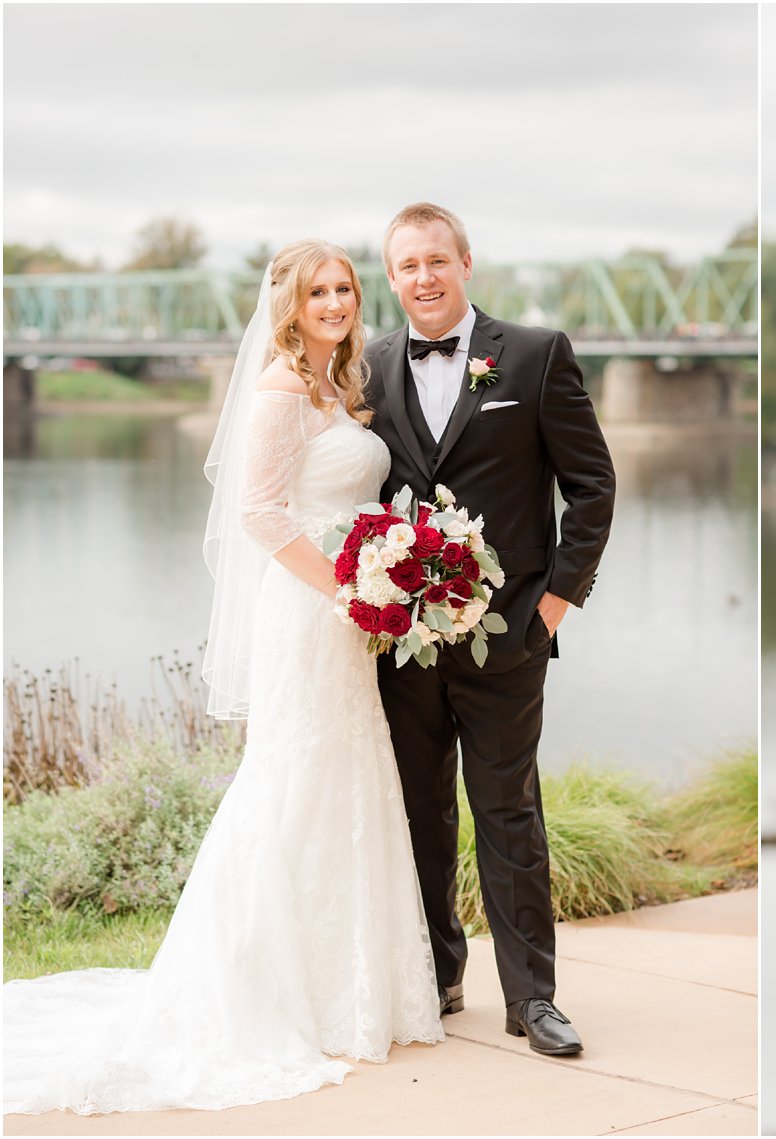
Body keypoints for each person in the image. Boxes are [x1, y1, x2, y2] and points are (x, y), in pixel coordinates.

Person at [3, 239, 443, 1116]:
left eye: (345, 289)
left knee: (347, 778)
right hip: (310, 609)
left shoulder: (338, 387)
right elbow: (257, 512)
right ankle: (262, 991)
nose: (335, 302)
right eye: (318, 290)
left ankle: (348, 990)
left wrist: (385, 580)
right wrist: (352, 591)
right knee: (291, 777)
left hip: (349, 613)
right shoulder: (282, 387)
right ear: (289, 302)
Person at [363, 203, 615, 1057]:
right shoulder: (367, 367)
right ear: (391, 277)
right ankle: (438, 975)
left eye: (439, 259)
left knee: (508, 811)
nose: (425, 277)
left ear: (466, 262)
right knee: (418, 812)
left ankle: (533, 999)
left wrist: (553, 605)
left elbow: (593, 486)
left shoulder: (537, 356)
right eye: (408, 265)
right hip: (401, 642)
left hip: (508, 637)